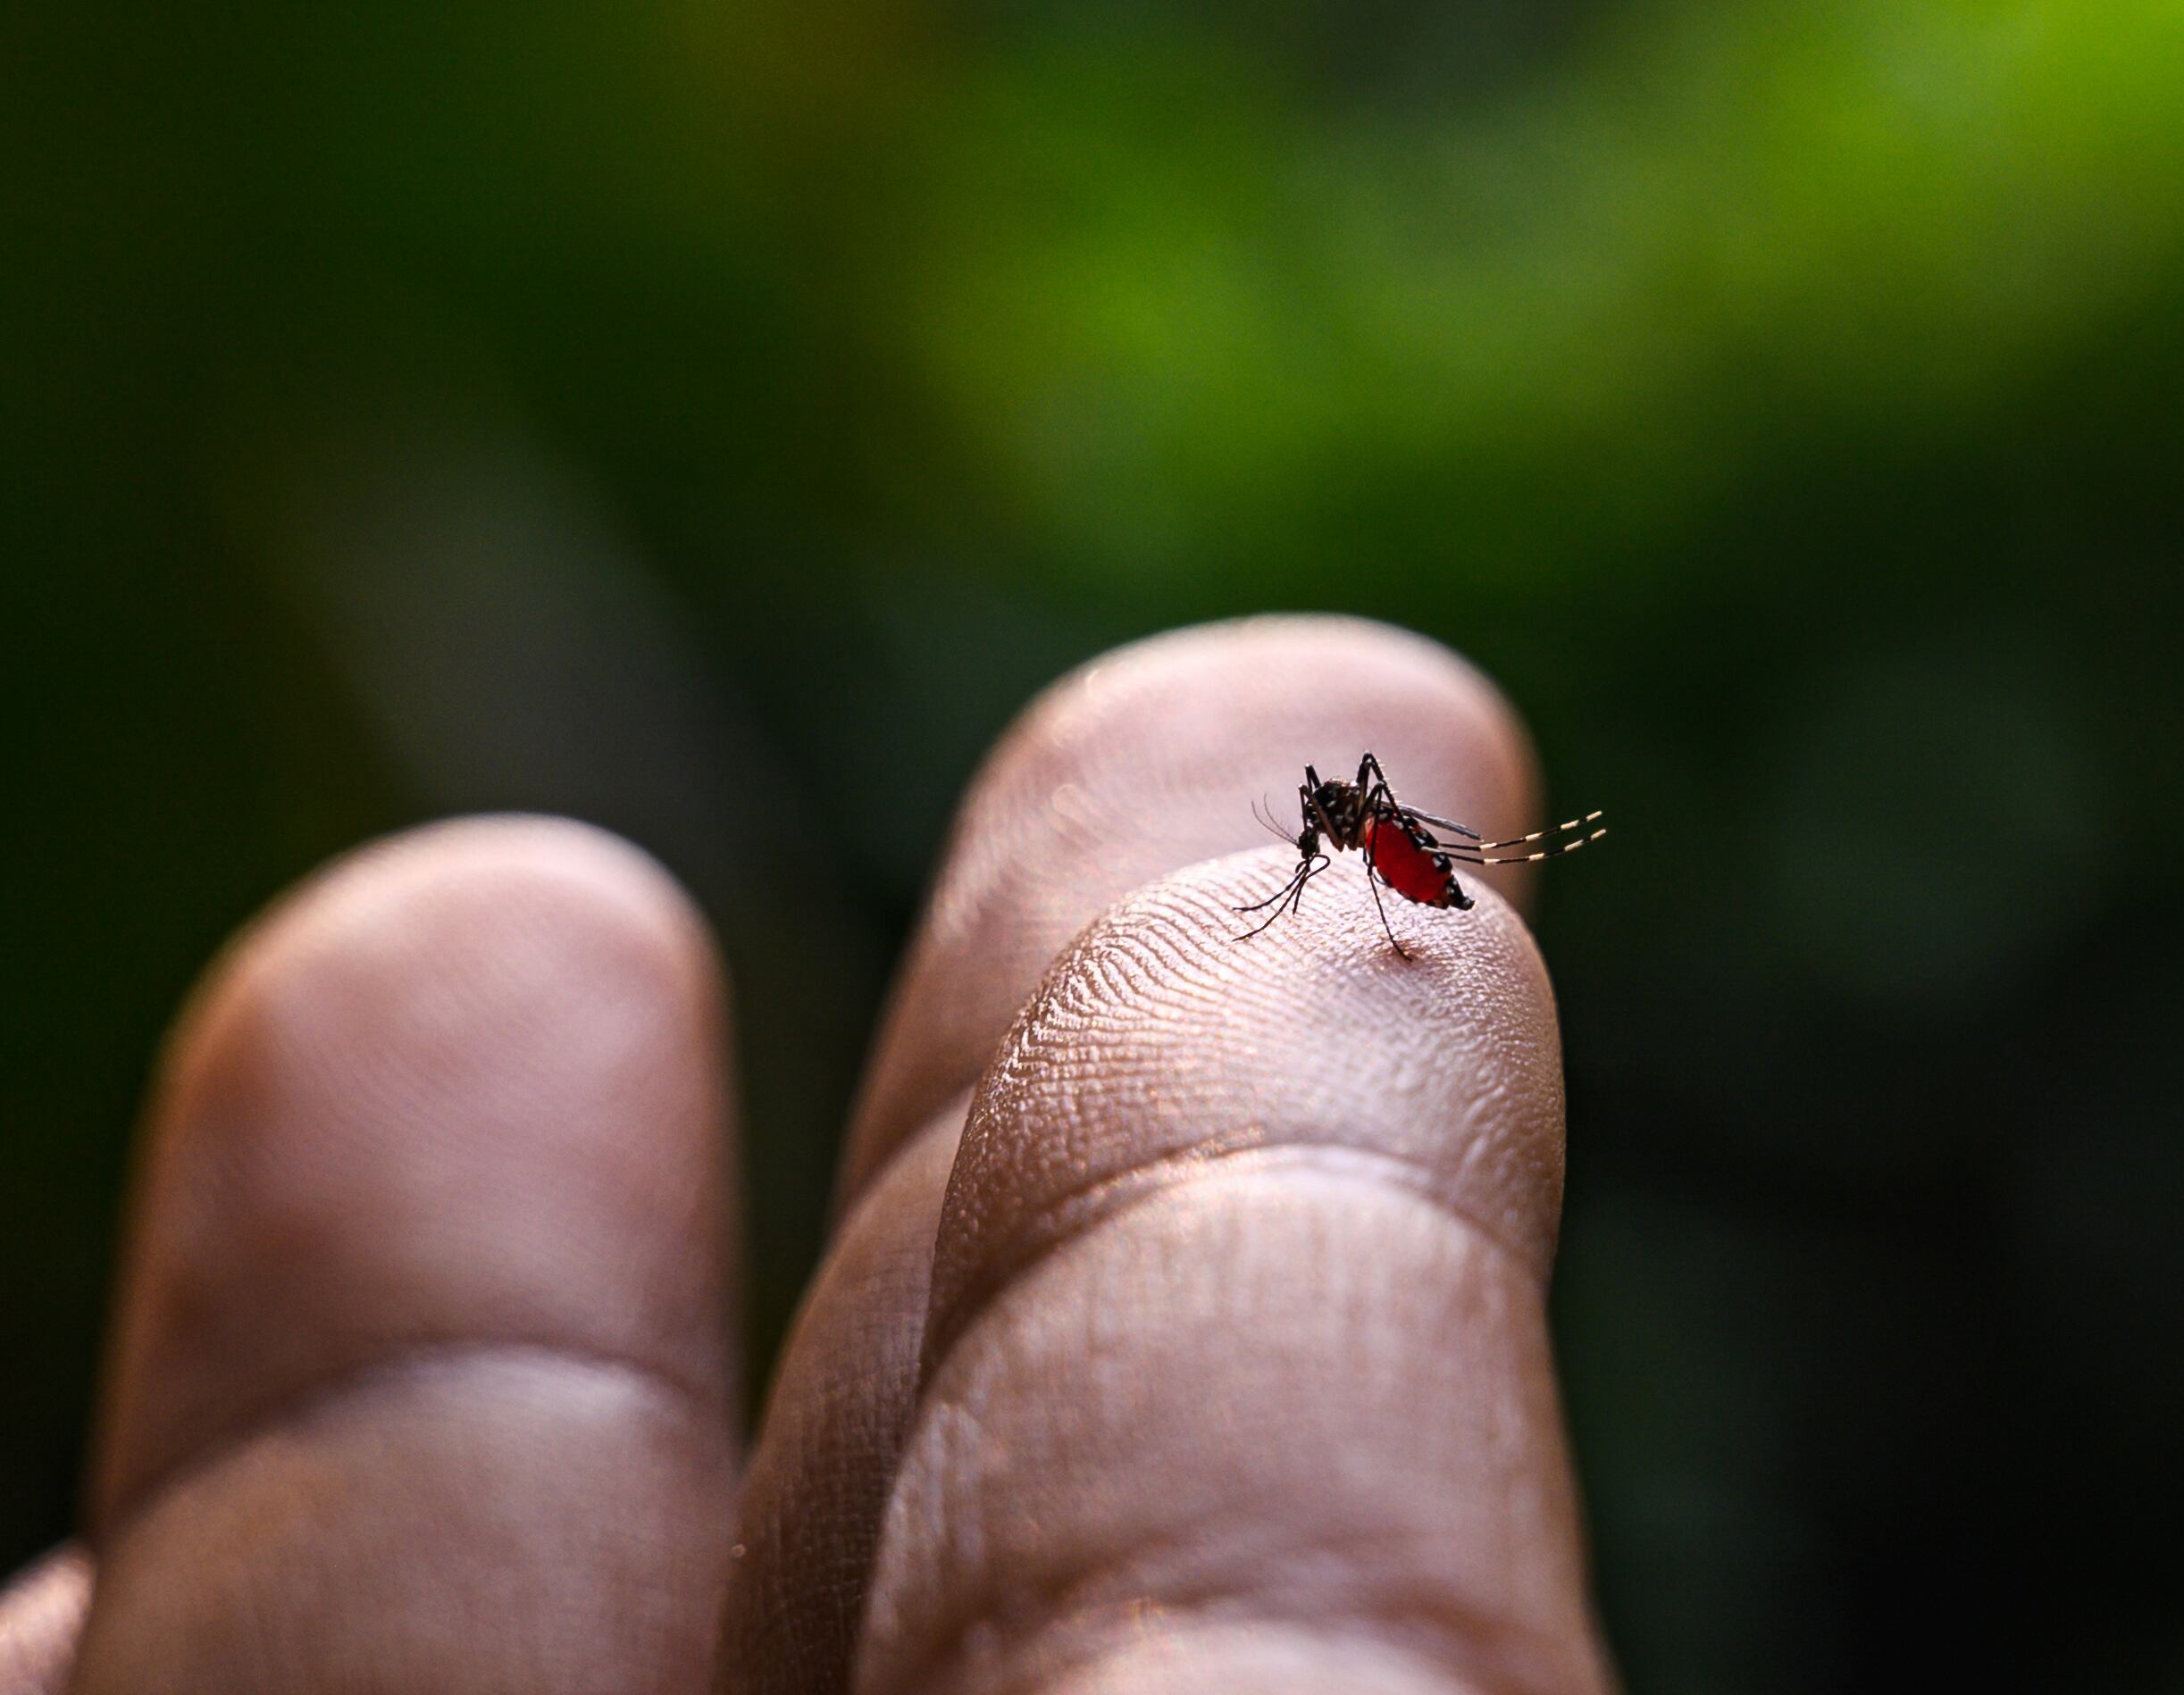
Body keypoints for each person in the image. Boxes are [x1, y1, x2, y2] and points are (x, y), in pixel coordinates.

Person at [0, 618, 1614, 1695]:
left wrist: (1379, 873)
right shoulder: (1330, 823)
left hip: (1412, 917)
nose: (1333, 820)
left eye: (1336, 821)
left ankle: (1473, 868)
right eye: (1344, 822)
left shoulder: (1361, 830)